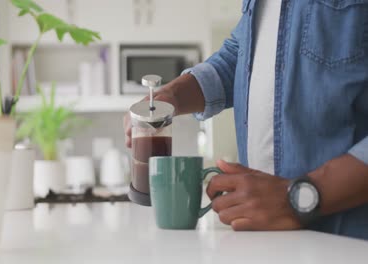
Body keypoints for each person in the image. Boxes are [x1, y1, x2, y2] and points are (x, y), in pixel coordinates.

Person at [123, 0, 368, 239]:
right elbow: (240, 56)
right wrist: (171, 96)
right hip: (264, 235)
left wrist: (298, 198)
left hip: (349, 238)